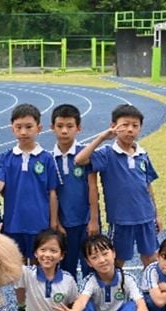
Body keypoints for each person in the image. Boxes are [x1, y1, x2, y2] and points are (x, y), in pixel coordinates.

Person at [74, 104, 160, 267]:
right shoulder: (106, 154)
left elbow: (148, 186)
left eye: (135, 126)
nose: (130, 130)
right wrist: (101, 138)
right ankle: (117, 290)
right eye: (125, 125)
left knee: (150, 258)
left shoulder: (142, 155)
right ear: (113, 126)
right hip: (121, 220)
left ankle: (150, 290)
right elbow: (79, 160)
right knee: (118, 260)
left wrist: (156, 214)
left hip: (146, 217)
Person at [0, 103, 60, 264]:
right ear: (12, 129)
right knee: (19, 269)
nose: (23, 132)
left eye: (29, 127)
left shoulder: (46, 158)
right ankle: (21, 291)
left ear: (39, 128)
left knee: (40, 265)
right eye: (19, 127)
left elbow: (52, 192)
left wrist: (53, 223)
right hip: (14, 224)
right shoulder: (6, 158)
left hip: (39, 224)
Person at [49, 103, 98, 279]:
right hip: (63, 225)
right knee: (65, 268)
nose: (64, 131)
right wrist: (56, 223)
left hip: (85, 223)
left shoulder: (85, 155)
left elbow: (93, 188)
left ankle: (90, 303)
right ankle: (69, 303)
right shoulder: (49, 159)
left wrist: (93, 220)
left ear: (78, 128)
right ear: (52, 128)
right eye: (60, 126)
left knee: (90, 266)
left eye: (70, 126)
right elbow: (51, 193)